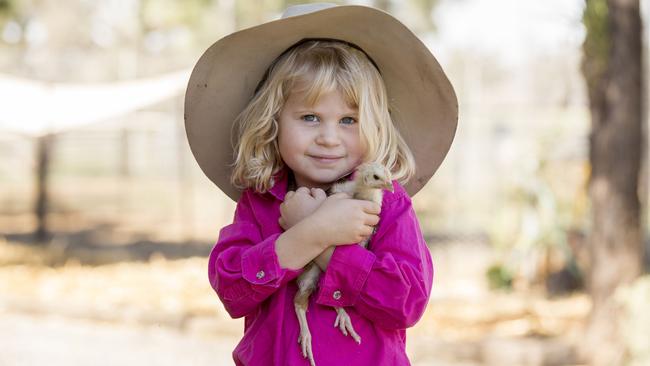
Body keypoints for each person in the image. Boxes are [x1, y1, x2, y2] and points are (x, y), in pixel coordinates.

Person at [184, 3, 458, 365]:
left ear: (374, 125)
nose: (329, 138)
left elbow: (405, 302)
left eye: (348, 120)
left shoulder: (387, 204)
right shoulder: (259, 203)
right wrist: (306, 235)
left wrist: (329, 248)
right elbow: (233, 289)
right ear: (273, 122)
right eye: (310, 117)